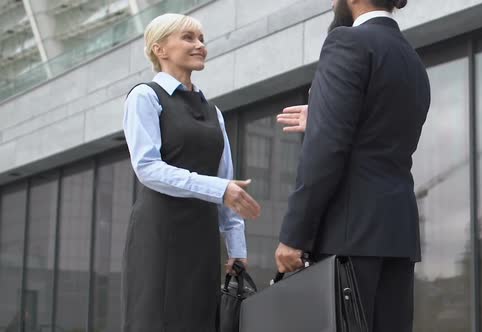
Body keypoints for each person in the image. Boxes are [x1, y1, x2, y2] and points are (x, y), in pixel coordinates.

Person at [274, 1, 430, 331]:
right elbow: (377, 128)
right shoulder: (412, 60)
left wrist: (294, 234)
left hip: (348, 234)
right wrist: (320, 117)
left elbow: (327, 148)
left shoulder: (347, 41)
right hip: (397, 233)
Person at [121, 13, 261, 332]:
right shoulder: (144, 97)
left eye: (201, 39)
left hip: (202, 236)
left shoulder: (213, 112)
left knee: (200, 321)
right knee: (157, 320)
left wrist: (237, 248)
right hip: (159, 233)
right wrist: (219, 189)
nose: (199, 45)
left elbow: (225, 178)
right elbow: (147, 168)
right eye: (188, 38)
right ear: (160, 49)